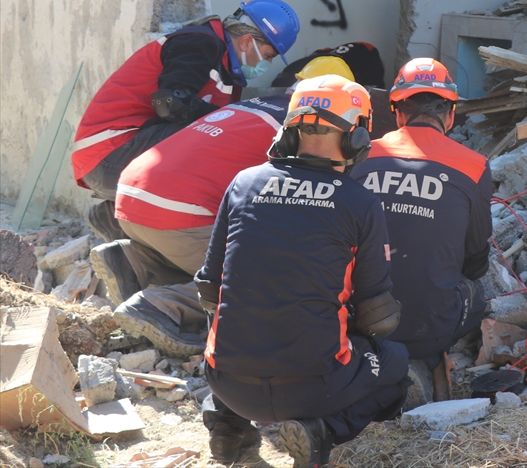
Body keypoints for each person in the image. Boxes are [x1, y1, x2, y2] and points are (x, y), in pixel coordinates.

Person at [196, 76, 408, 467]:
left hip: (227, 383)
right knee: (396, 361)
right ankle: (322, 430)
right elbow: (378, 317)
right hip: (314, 389)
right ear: (358, 137)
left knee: (229, 323)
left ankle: (228, 427)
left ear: (289, 131)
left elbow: (209, 290)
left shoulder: (243, 183)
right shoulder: (359, 202)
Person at [72, 0, 299, 242]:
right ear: (246, 42)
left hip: (117, 157)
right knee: (213, 141)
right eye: (268, 55)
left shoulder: (227, 70)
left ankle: (116, 219)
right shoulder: (200, 43)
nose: (267, 63)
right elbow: (171, 104)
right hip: (107, 154)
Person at [90, 93, 291, 356]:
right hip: (177, 214)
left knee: (201, 253)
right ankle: (160, 305)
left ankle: (134, 261)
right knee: (268, 280)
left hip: (130, 196)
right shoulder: (305, 130)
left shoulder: (256, 105)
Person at [350, 58, 492, 370]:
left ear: (397, 113)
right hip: (429, 333)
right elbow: (475, 260)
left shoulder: (360, 158)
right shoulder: (474, 166)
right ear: (450, 115)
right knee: (476, 291)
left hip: (357, 324)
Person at [272, 42, 385, 89]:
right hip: (307, 78)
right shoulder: (370, 55)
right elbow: (375, 97)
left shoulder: (330, 51)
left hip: (291, 72)